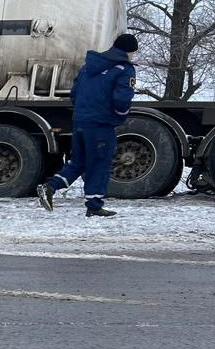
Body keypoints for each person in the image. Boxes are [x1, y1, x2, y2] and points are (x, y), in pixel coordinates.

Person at [37, 33, 139, 218]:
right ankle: (94, 205)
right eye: (133, 53)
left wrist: (83, 112)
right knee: (100, 163)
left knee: (79, 162)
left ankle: (50, 187)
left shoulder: (88, 66)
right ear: (129, 51)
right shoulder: (124, 69)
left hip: (80, 121)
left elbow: (74, 93)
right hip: (101, 124)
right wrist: (119, 117)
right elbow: (122, 99)